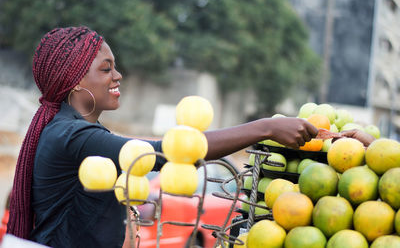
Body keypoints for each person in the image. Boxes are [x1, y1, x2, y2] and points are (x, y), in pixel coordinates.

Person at [4, 26, 362, 247]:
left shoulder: (76, 131)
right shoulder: (73, 134)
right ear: (76, 80)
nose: (118, 76)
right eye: (106, 68)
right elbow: (162, 154)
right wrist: (266, 127)